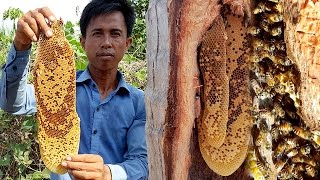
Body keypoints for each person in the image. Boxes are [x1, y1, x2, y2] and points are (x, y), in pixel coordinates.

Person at [0, 0, 148, 179]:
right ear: (83, 42)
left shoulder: (140, 102)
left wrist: (108, 173)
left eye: (115, 33)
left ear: (127, 43)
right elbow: (12, 104)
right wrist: (21, 46)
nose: (106, 42)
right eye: (97, 33)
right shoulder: (56, 87)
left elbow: (141, 161)